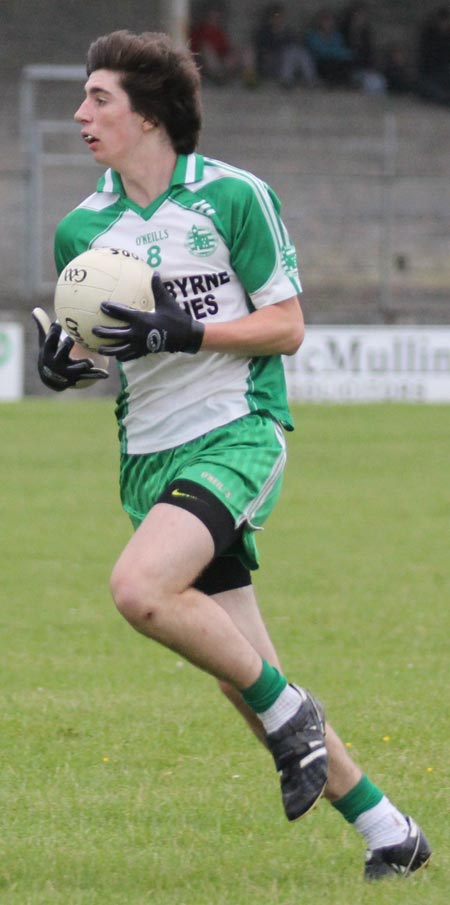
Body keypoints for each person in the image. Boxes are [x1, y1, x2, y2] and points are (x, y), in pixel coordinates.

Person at [32, 29, 431, 881]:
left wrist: (191, 328)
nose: (80, 114)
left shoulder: (233, 197)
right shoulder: (81, 228)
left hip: (237, 431)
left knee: (140, 589)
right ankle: (389, 830)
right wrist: (70, 365)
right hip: (149, 454)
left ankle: (294, 716)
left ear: (149, 115)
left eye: (99, 97)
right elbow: (104, 348)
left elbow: (286, 327)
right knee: (245, 677)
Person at [253, 2, 317, 88]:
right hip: (271, 63)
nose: (280, 19)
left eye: (281, 17)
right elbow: (263, 51)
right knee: (289, 53)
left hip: (288, 62)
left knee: (301, 52)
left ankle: (310, 79)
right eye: (277, 17)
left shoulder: (288, 32)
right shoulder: (264, 32)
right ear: (270, 18)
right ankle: (286, 80)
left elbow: (294, 45)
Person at [338, 1, 386, 94]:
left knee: (378, 82)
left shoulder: (366, 34)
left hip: (364, 68)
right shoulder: (344, 31)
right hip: (349, 66)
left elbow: (369, 53)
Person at [305, 7, 355, 88]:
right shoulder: (313, 36)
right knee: (329, 63)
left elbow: (343, 51)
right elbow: (321, 51)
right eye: (325, 20)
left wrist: (341, 53)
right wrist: (335, 52)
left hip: (336, 62)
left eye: (329, 20)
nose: (327, 23)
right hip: (320, 63)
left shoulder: (337, 36)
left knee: (346, 63)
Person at [189, 2, 238, 84]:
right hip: (201, 61)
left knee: (243, 52)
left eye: (217, 15)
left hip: (219, 61)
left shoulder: (219, 33)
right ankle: (218, 76)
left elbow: (226, 50)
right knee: (206, 48)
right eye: (212, 15)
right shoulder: (198, 30)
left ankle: (249, 77)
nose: (215, 17)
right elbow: (194, 49)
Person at [416, 4, 450, 107]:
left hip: (444, 71)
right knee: (432, 90)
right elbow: (428, 58)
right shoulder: (429, 36)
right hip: (430, 73)